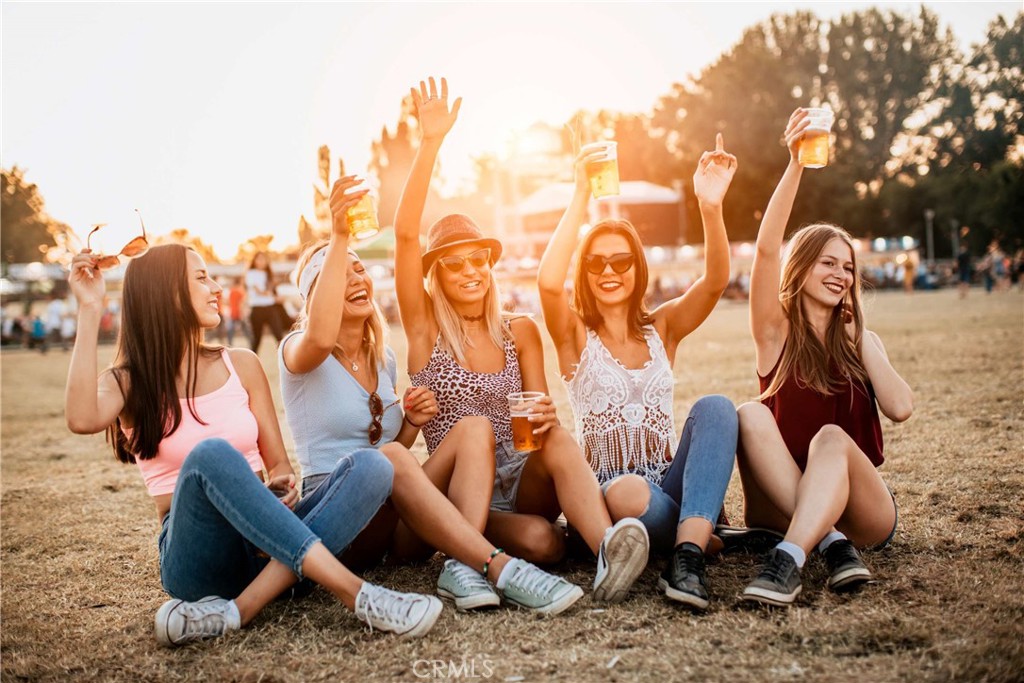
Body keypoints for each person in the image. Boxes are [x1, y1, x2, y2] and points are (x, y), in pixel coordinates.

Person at [64, 243, 447, 646]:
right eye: (201, 278)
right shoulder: (127, 380)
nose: (215, 287)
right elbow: (81, 418)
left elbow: (279, 465)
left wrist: (281, 487)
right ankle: (358, 595)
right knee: (211, 454)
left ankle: (237, 610)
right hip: (196, 559)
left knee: (373, 466)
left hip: (264, 548)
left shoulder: (240, 363)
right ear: (166, 292)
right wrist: (90, 309)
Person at [393, 76, 649, 603]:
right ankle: (465, 552)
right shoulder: (426, 333)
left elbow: (538, 414)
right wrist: (431, 144)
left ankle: (608, 552)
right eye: (454, 264)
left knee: (552, 474)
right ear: (436, 275)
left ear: (491, 265)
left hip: (522, 479)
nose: (470, 271)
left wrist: (547, 417)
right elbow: (404, 237)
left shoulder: (520, 331)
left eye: (478, 259)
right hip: (463, 492)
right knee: (539, 538)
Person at [278, 175, 584, 615]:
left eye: (359, 268)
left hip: (395, 514)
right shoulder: (300, 350)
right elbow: (323, 335)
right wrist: (339, 236)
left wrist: (410, 424)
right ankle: (496, 567)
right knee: (399, 461)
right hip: (337, 507)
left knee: (468, 430)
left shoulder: (381, 360)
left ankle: (466, 565)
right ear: (316, 294)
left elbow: (388, 452)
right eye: (338, 274)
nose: (355, 278)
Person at [537, 133, 739, 610]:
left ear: (637, 268)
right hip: (609, 496)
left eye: (621, 260)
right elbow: (548, 283)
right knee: (628, 492)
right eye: (596, 262)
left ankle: (686, 555)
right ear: (584, 272)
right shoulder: (574, 336)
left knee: (717, 408)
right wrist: (580, 193)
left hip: (667, 485)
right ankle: (700, 530)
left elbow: (714, 282)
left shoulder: (662, 328)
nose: (610, 270)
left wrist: (710, 206)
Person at [736, 108, 914, 607]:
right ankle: (829, 544)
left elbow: (901, 407)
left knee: (831, 438)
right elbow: (767, 251)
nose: (841, 275)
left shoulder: (861, 340)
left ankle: (789, 560)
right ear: (802, 268)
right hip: (783, 501)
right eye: (828, 263)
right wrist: (795, 164)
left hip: (863, 512)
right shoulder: (775, 333)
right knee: (748, 411)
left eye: (848, 267)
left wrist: (861, 341)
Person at [246, 251, 285, 354]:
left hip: (270, 309)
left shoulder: (268, 275)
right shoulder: (251, 274)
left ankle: (286, 361)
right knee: (256, 339)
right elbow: (259, 291)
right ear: (254, 261)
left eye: (263, 259)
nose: (261, 261)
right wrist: (274, 298)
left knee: (279, 337)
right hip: (257, 309)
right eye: (259, 259)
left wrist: (277, 297)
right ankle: (250, 362)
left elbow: (272, 291)